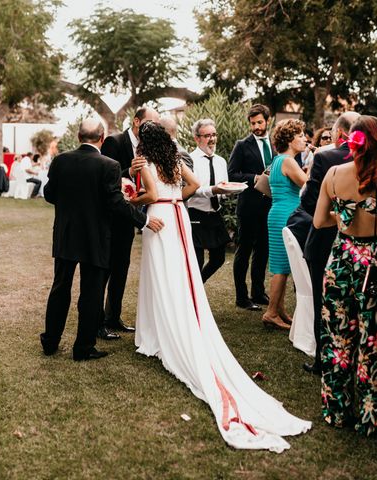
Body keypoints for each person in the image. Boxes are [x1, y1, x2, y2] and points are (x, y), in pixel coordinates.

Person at [133, 121, 311, 450]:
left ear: (144, 142)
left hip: (158, 218)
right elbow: (195, 185)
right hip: (178, 217)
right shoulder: (173, 159)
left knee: (159, 276)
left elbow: (151, 194)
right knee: (179, 274)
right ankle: (171, 319)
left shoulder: (146, 162)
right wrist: (176, 201)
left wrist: (132, 198)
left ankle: (154, 334)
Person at [313, 115, 377, 436]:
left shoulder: (332, 174)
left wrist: (344, 216)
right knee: (374, 338)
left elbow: (319, 222)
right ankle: (369, 418)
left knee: (338, 338)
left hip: (341, 260)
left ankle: (336, 411)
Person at [39, 118, 163, 361]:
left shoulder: (61, 160)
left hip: (65, 234)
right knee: (91, 292)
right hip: (95, 237)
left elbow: (50, 194)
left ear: (78, 137)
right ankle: (83, 348)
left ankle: (50, 341)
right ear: (102, 138)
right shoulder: (110, 165)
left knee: (60, 288)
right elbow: (115, 203)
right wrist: (145, 220)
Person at [288, 111, 360, 375]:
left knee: (323, 300)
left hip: (324, 239)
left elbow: (309, 203)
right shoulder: (376, 160)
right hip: (359, 243)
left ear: (339, 133)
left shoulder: (325, 157)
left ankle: (323, 359)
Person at [99, 106, 160, 340]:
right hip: (112, 217)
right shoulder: (114, 142)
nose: (153, 128)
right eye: (149, 123)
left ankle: (113, 316)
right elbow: (106, 180)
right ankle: (97, 323)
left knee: (121, 269)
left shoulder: (149, 147)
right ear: (136, 121)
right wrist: (129, 169)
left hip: (130, 215)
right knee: (104, 271)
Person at [262, 119, 308, 330]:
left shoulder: (279, 160)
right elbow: (307, 185)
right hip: (286, 215)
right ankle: (271, 313)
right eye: (300, 136)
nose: (304, 139)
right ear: (290, 140)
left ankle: (279, 310)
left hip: (279, 213)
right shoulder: (288, 161)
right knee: (281, 267)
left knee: (283, 264)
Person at [228, 104, 274, 311]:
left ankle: (258, 291)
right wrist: (255, 177)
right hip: (248, 207)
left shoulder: (274, 144)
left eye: (259, 122)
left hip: (269, 205)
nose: (256, 127)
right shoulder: (242, 145)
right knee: (244, 251)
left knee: (263, 251)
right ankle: (241, 296)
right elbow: (232, 174)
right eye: (253, 123)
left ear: (267, 121)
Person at [187, 118, 231, 283]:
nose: (212, 139)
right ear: (197, 138)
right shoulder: (189, 160)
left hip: (214, 214)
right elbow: (190, 191)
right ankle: (193, 296)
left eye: (214, 135)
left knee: (219, 258)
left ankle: (198, 285)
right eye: (207, 136)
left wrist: (227, 192)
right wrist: (213, 190)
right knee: (196, 262)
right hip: (195, 214)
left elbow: (223, 188)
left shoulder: (221, 161)